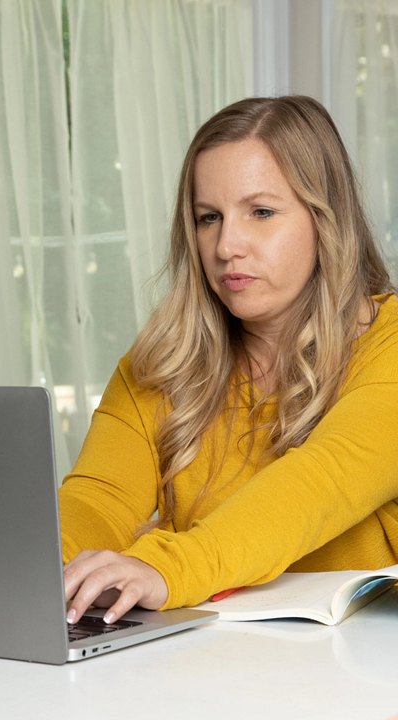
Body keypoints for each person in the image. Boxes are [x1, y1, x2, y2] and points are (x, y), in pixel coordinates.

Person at [59, 95, 398, 627]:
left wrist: (161, 566)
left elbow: (318, 483)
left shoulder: (390, 343)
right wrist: (31, 569)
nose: (226, 245)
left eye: (260, 212)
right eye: (208, 217)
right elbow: (98, 500)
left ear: (325, 219)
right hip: (202, 672)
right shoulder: (161, 362)